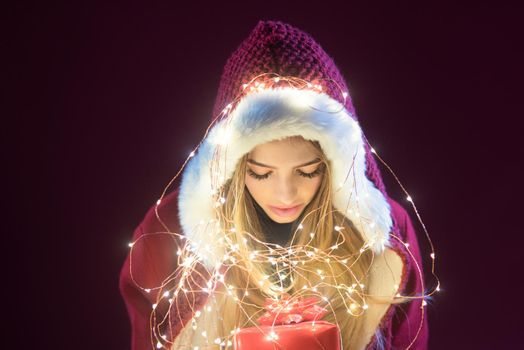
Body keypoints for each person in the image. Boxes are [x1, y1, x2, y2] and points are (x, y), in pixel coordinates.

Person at [120, 20, 430, 350]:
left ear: (334, 165)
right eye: (261, 173)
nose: (285, 194)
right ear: (235, 166)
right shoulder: (168, 236)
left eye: (308, 172)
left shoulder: (389, 239)